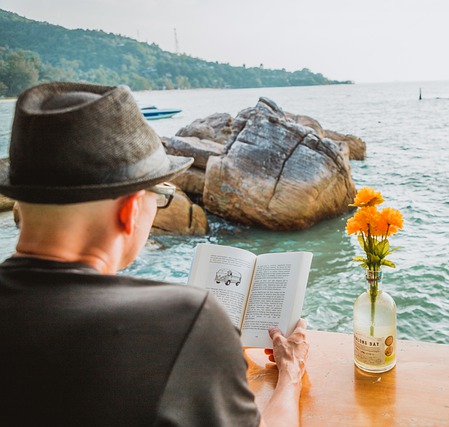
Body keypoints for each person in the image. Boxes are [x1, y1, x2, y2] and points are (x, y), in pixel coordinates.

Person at [0, 82, 309, 426]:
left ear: (21, 204)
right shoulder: (183, 323)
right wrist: (290, 375)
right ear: (129, 210)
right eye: (159, 193)